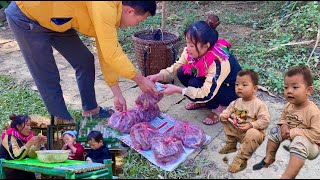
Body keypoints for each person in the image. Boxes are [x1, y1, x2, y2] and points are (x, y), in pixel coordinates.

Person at [4, 1, 158, 125]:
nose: (135, 25)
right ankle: (63, 122)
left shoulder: (113, 10)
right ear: (130, 11)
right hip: (27, 16)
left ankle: (91, 110)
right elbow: (112, 54)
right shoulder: (105, 6)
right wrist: (140, 79)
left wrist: (116, 93)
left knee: (84, 60)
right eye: (139, 21)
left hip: (57, 19)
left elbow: (106, 50)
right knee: (46, 74)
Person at [147, 14, 242, 125]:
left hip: (230, 88)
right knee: (182, 72)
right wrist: (158, 76)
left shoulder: (219, 62)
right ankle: (202, 102)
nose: (188, 48)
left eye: (191, 45)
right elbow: (175, 67)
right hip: (213, 81)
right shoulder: (190, 51)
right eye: (187, 43)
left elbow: (207, 93)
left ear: (206, 46)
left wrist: (179, 90)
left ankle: (217, 109)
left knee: (196, 84)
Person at [252, 65, 320, 179]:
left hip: (312, 145)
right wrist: (283, 125)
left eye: (295, 87)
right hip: (291, 134)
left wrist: (293, 132)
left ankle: (287, 176)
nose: (289, 91)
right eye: (286, 87)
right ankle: (269, 157)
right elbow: (284, 117)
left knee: (299, 142)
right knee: (275, 131)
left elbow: (317, 134)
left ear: (308, 90)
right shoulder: (289, 105)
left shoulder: (313, 112)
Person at [219, 70, 270, 173]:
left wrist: (251, 125)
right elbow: (227, 111)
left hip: (250, 134)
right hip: (237, 130)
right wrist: (224, 115)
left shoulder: (259, 105)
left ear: (254, 88)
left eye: (244, 85)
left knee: (253, 133)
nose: (239, 87)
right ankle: (231, 144)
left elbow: (265, 120)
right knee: (224, 119)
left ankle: (241, 159)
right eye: (237, 84)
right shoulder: (235, 102)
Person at [0, 114, 47, 179]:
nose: (30, 128)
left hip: (23, 170)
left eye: (30, 125)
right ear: (18, 126)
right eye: (27, 125)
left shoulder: (25, 137)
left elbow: (32, 155)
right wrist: (30, 142)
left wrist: (38, 143)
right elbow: (16, 156)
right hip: (10, 172)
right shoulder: (9, 136)